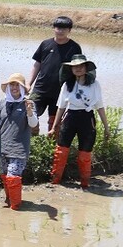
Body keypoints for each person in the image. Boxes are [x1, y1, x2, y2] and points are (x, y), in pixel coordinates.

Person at [0, 73, 38, 210]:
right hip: (3, 147)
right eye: (11, 84)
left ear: (23, 88)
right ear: (8, 87)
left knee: (13, 176)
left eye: (17, 85)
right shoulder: (2, 103)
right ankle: (10, 200)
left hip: (19, 149)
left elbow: (33, 124)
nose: (14, 87)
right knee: (5, 176)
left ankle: (16, 206)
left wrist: (29, 112)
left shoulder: (28, 103)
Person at [50, 54, 108, 189]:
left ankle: (85, 182)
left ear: (86, 68)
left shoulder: (94, 84)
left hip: (87, 119)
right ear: (71, 69)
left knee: (85, 152)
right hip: (70, 117)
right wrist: (54, 127)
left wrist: (106, 127)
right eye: (75, 67)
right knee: (61, 150)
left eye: (81, 66)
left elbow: (100, 106)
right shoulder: (67, 85)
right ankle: (55, 180)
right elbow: (61, 107)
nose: (78, 69)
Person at [27, 16, 82, 135]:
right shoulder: (45, 44)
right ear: (54, 28)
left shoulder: (74, 47)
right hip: (41, 88)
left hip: (62, 90)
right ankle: (33, 142)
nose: (60, 31)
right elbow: (37, 64)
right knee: (30, 113)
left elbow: (79, 68)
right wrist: (28, 83)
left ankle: (51, 147)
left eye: (64, 28)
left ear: (69, 30)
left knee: (55, 122)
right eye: (58, 28)